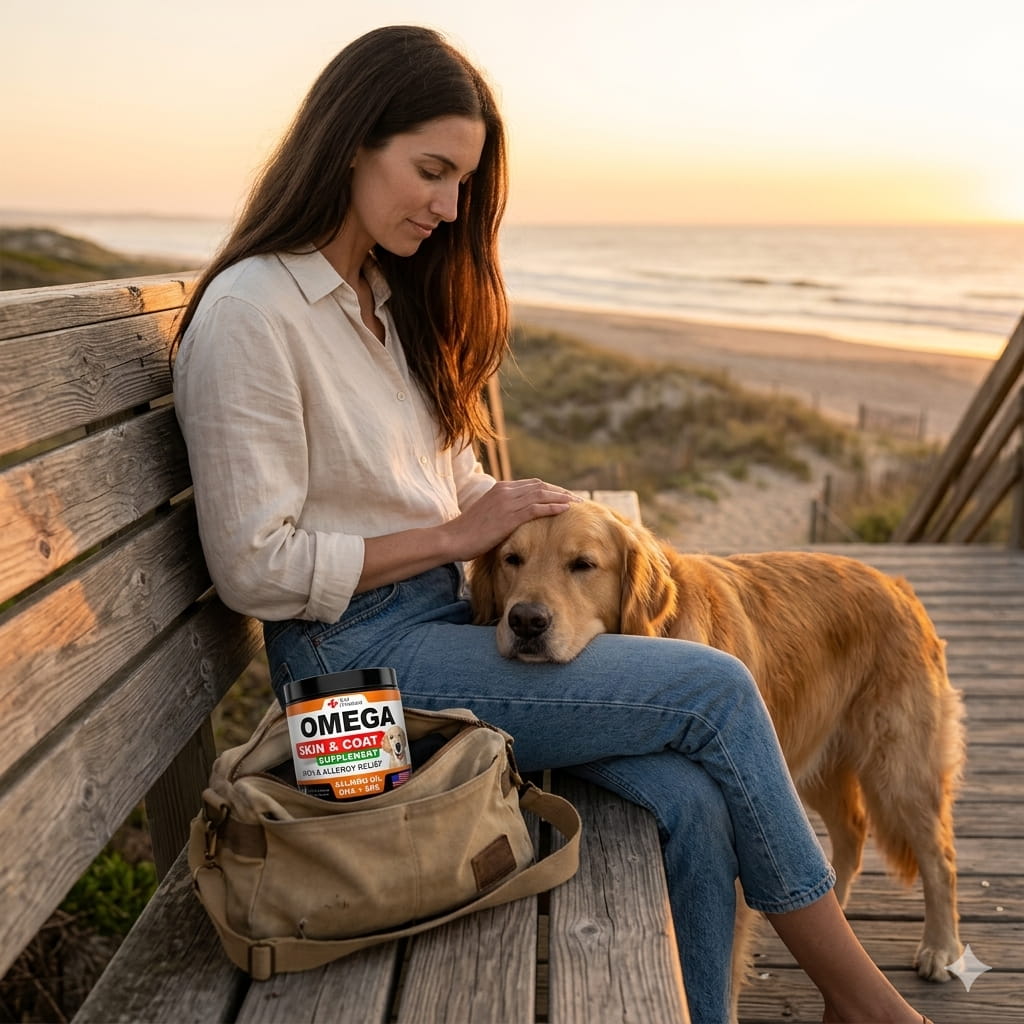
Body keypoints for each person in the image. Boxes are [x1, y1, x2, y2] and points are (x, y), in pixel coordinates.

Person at [172, 25, 932, 1024]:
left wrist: (523, 514)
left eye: (463, 186)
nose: (448, 209)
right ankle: (870, 1005)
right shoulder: (253, 312)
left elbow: (447, 481)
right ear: (352, 142)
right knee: (716, 689)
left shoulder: (383, 305)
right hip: (344, 697)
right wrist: (454, 539)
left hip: (435, 636)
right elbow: (253, 568)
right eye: (431, 173)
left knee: (694, 796)